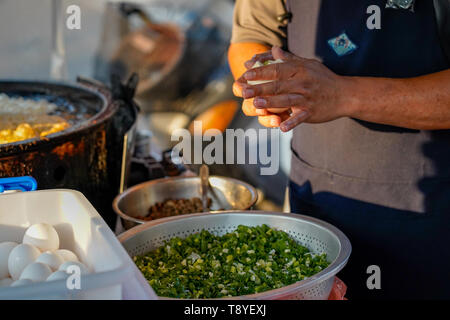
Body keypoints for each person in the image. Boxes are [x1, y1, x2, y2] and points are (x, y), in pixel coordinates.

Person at [229, 0, 450, 299]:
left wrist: (344, 95)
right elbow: (251, 34)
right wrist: (264, 88)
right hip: (314, 191)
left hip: (428, 208)